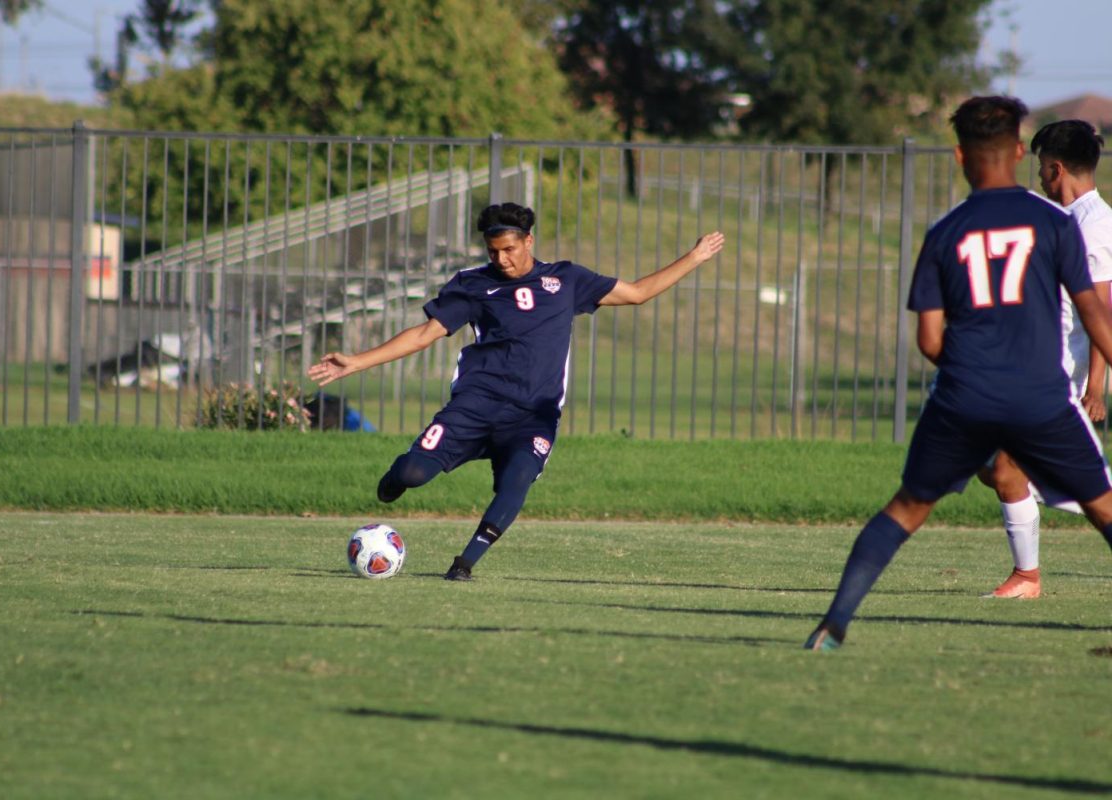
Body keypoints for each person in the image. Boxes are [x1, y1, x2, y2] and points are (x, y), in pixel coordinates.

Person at [805, 96, 1112, 651]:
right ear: (1020, 152)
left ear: (958, 156)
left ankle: (833, 623)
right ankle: (1027, 573)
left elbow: (928, 340)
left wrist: (972, 373)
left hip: (964, 395)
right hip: (1040, 394)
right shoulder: (1054, 222)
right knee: (1102, 504)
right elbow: (1094, 312)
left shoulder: (945, 231)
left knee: (906, 507)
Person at [307, 202, 725, 580]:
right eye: (493, 252)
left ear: (529, 240)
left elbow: (637, 294)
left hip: (532, 416)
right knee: (413, 475)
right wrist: (357, 361)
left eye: (509, 249)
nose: (501, 259)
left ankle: (464, 563)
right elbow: (423, 334)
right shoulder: (472, 285)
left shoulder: (566, 279)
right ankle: (397, 477)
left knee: (517, 481)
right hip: (475, 405)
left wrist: (694, 256)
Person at [979, 119, 1112, 600]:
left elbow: (1099, 312)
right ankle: (1026, 577)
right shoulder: (1068, 222)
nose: (1037, 179)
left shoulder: (1093, 228)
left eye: (1040, 170)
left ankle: (1026, 577)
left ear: (1056, 169)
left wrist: (1097, 384)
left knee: (1005, 465)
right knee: (991, 463)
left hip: (1056, 378)